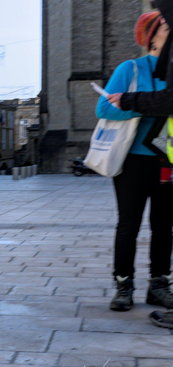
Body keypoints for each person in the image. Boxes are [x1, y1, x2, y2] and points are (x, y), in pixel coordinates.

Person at [98, 11, 173, 312]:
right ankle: (123, 284)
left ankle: (159, 284)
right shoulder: (131, 69)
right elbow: (104, 108)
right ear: (152, 34)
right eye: (168, 26)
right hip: (132, 160)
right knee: (128, 224)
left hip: (167, 161)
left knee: (164, 226)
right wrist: (144, 107)